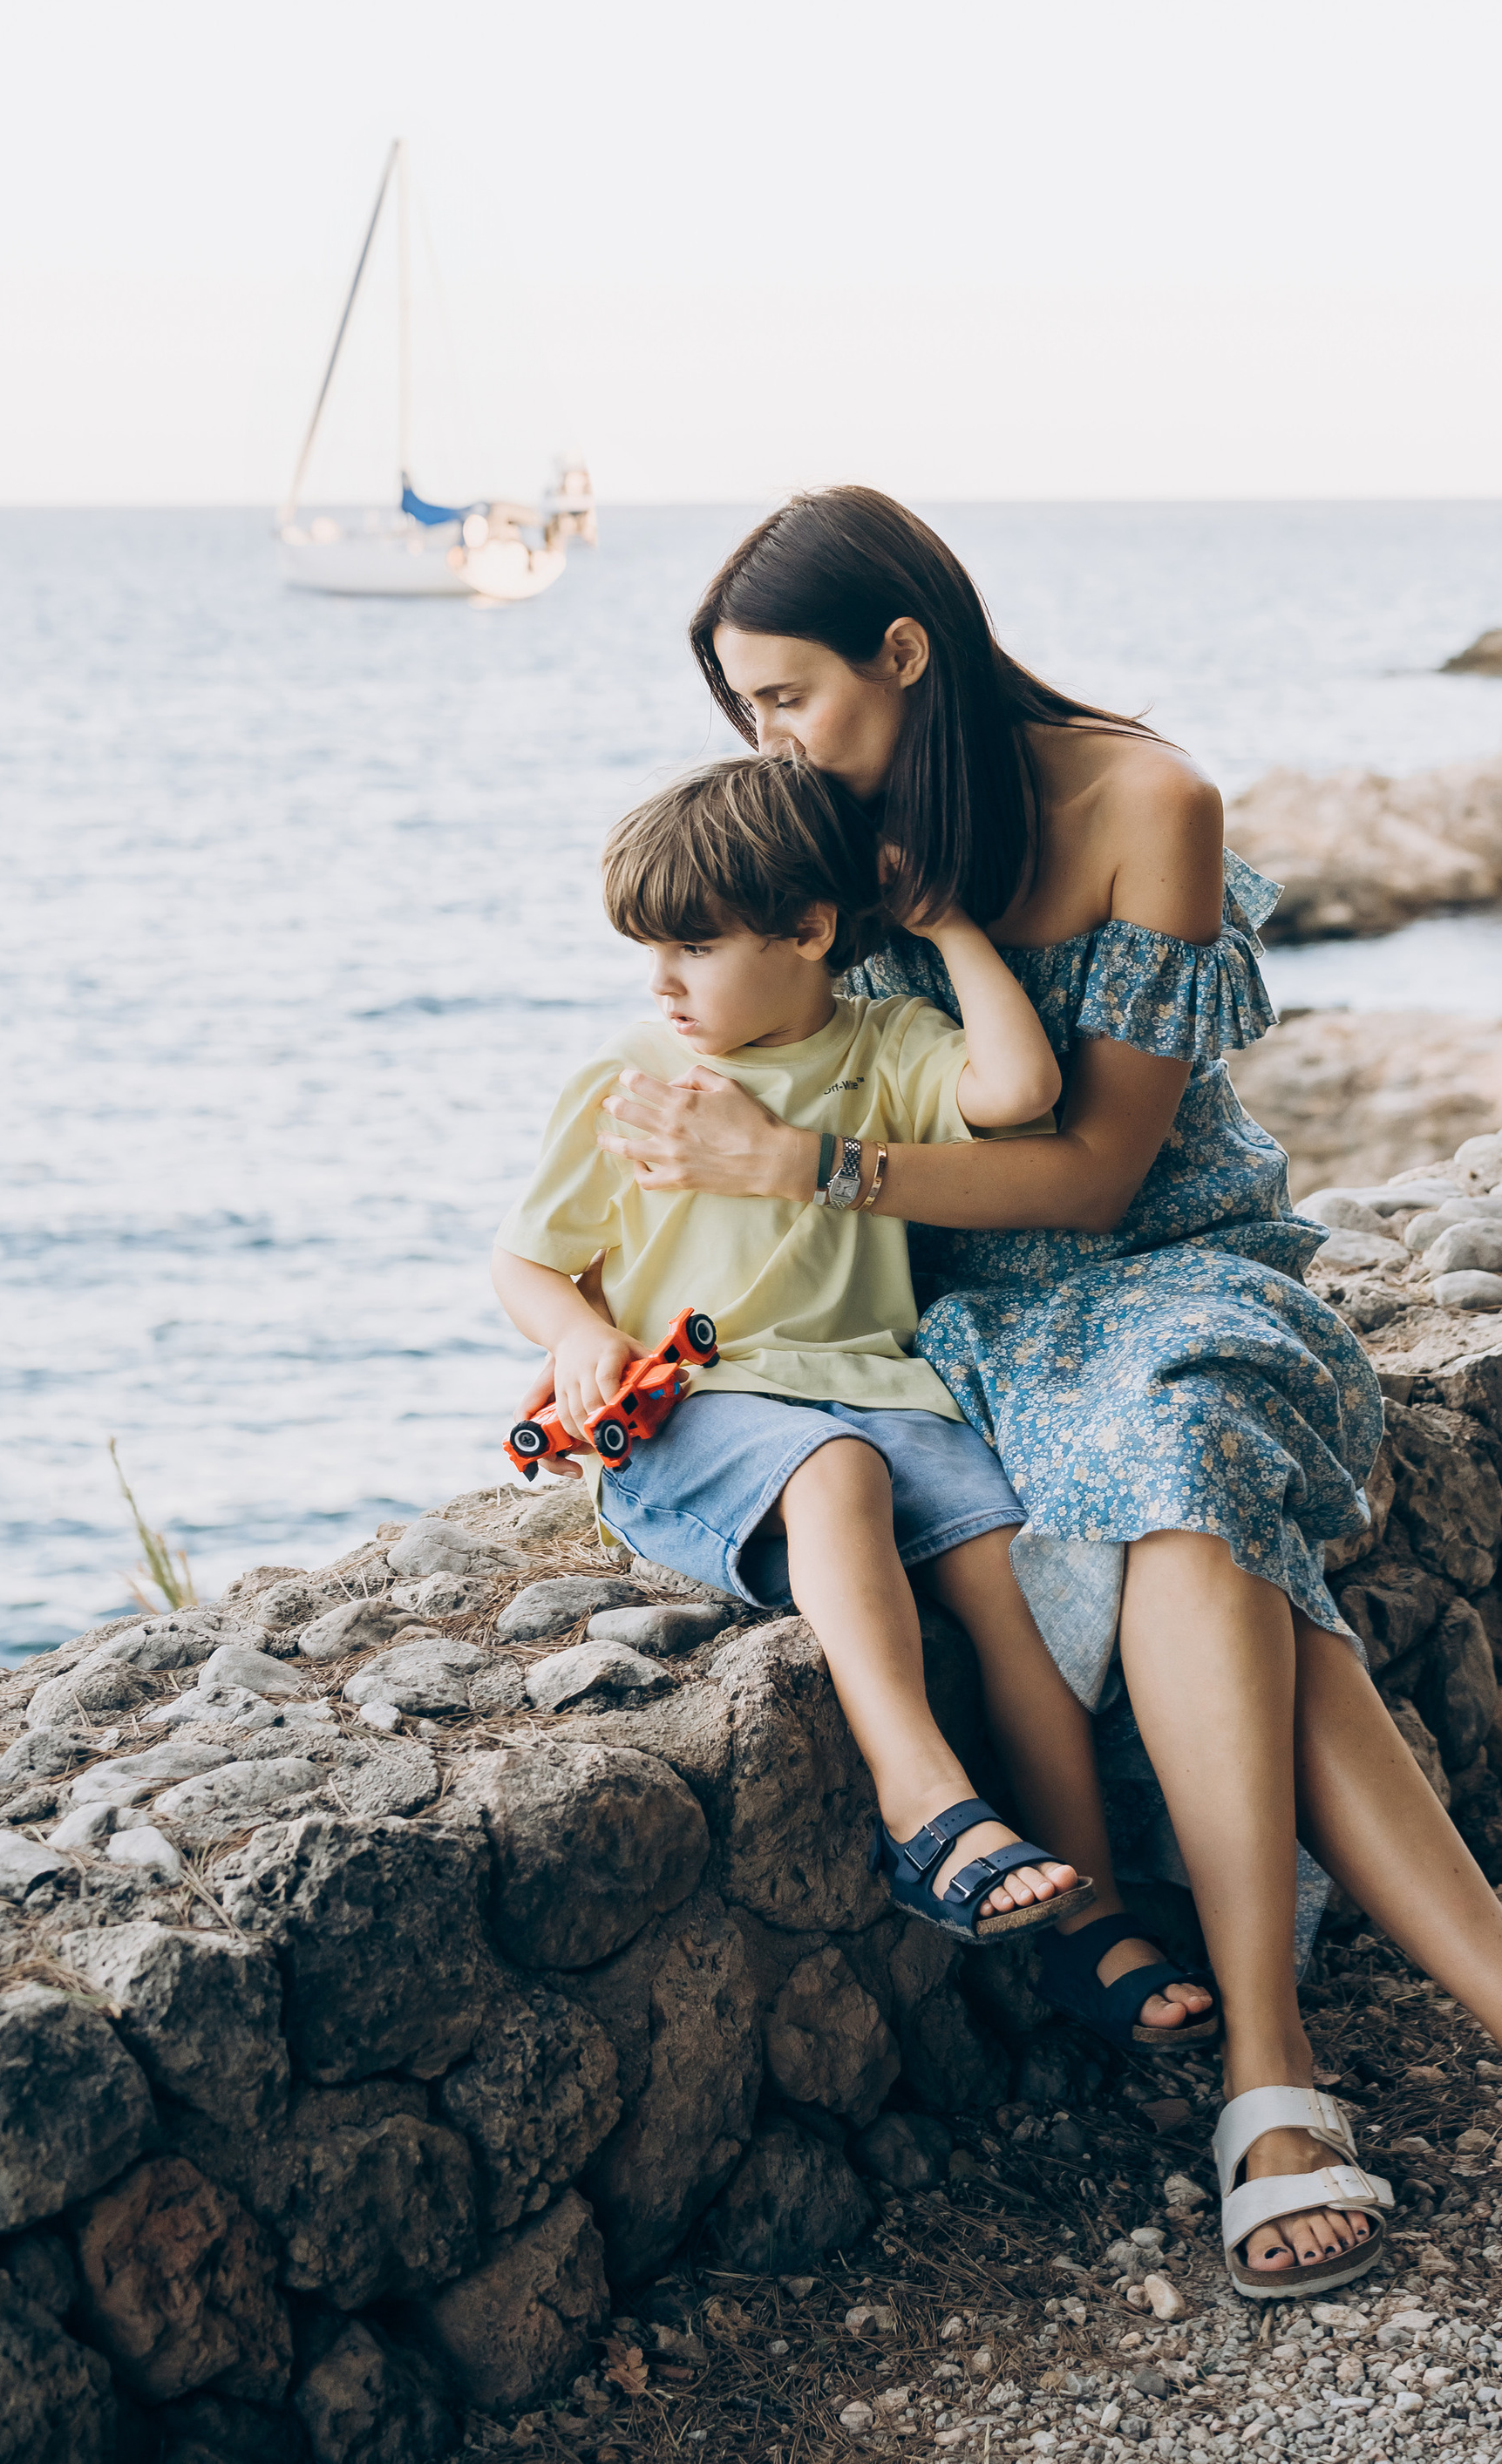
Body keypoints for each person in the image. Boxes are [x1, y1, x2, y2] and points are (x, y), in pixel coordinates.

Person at [598, 491, 1502, 2301]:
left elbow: (1090, 1181)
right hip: (943, 1322)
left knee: (1184, 1446)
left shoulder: (1146, 804)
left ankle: (1272, 2075)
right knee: (1213, 1552)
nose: (768, 741)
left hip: (1165, 1271)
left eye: (788, 696)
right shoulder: (816, 834)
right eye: (744, 708)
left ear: (904, 650)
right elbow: (719, 1017)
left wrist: (802, 1170)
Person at [491, 754, 1217, 2019]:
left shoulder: (884, 1048)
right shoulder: (632, 1080)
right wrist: (569, 1337)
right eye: (646, 950)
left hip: (876, 1389)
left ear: (812, 931)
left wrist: (945, 923)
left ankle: (1087, 1915)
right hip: (696, 1412)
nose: (659, 982)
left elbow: (1027, 1093)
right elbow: (528, 1259)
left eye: (694, 947)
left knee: (1012, 1580)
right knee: (836, 1476)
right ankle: (924, 1803)